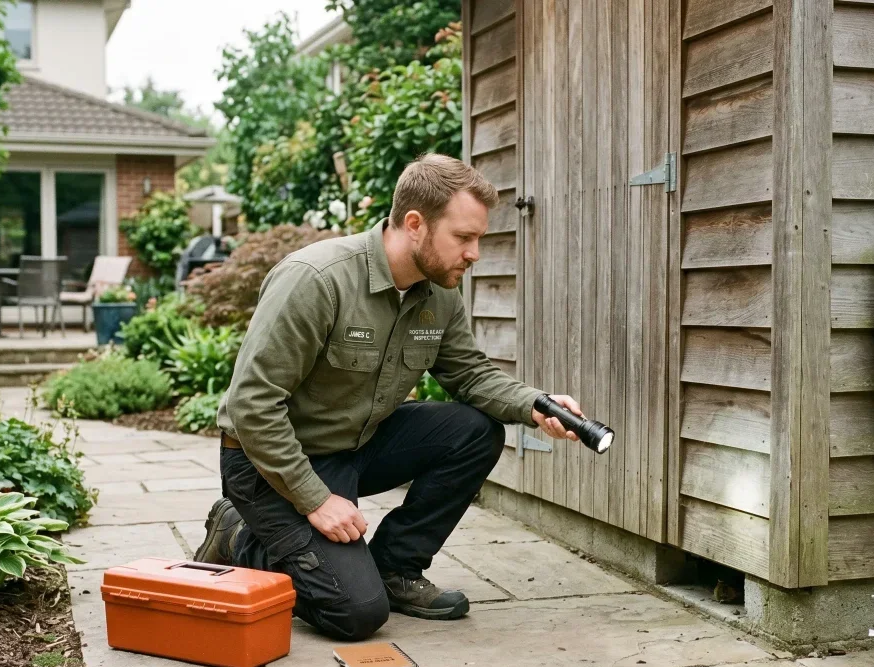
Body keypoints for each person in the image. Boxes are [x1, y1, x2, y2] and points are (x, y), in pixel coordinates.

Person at [195, 153, 584, 641]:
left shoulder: (438, 293)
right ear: (415, 224)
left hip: (354, 444)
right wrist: (316, 500)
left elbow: (469, 373)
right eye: (464, 237)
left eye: (478, 239)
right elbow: (251, 405)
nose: (474, 254)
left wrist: (536, 404)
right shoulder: (317, 279)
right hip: (267, 464)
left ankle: (395, 568)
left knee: (474, 431)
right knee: (355, 612)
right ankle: (238, 534)